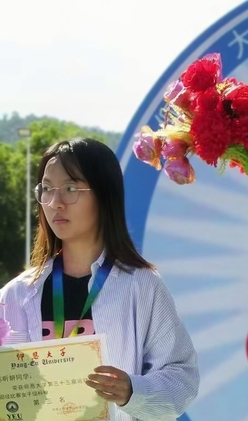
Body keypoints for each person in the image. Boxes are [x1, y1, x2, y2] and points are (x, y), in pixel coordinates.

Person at [0, 138, 199, 421]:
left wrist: (132, 391)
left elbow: (182, 378)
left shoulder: (142, 285)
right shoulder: (16, 294)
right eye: (46, 189)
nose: (55, 203)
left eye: (70, 189)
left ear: (104, 195)